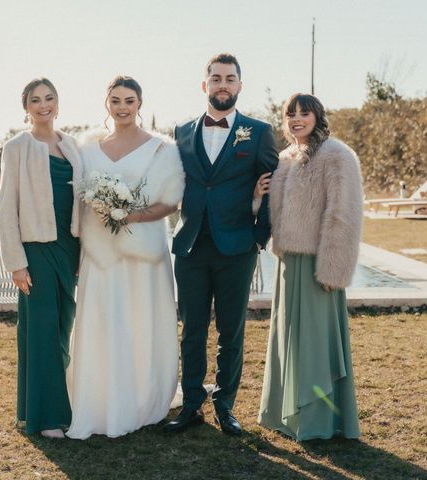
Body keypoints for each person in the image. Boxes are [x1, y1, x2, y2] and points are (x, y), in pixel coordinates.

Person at [164, 53, 279, 436]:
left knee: (231, 331)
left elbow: (272, 185)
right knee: (192, 330)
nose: (222, 84)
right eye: (215, 78)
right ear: (205, 85)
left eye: (230, 78)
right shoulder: (181, 131)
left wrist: (259, 237)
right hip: (192, 245)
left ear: (240, 86)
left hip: (237, 248)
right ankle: (192, 404)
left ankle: (225, 405)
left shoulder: (258, 131)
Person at [66, 76, 184, 439]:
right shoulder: (86, 147)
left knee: (140, 322)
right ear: (107, 103)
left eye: (128, 100)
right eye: (115, 100)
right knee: (102, 321)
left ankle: (142, 399)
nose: (121, 107)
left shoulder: (162, 149)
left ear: (139, 103)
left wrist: (129, 214)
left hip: (143, 257)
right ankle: (98, 399)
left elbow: (170, 201)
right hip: (99, 255)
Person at [257, 93, 362, 441]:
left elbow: (343, 215)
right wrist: (258, 195)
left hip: (319, 265)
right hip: (290, 264)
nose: (297, 119)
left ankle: (320, 422)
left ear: (318, 116)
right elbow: (276, 211)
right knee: (288, 340)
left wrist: (333, 269)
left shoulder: (337, 155)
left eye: (305, 113)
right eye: (291, 114)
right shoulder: (285, 158)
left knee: (316, 343)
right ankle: (287, 417)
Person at [0, 78, 82, 438]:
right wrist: (16, 262)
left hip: (70, 247)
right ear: (26, 108)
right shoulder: (16, 147)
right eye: (36, 100)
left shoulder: (74, 146)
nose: (43, 105)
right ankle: (47, 418)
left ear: (58, 103)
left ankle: (40, 405)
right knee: (42, 329)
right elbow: (6, 206)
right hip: (36, 250)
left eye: (49, 98)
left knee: (63, 325)